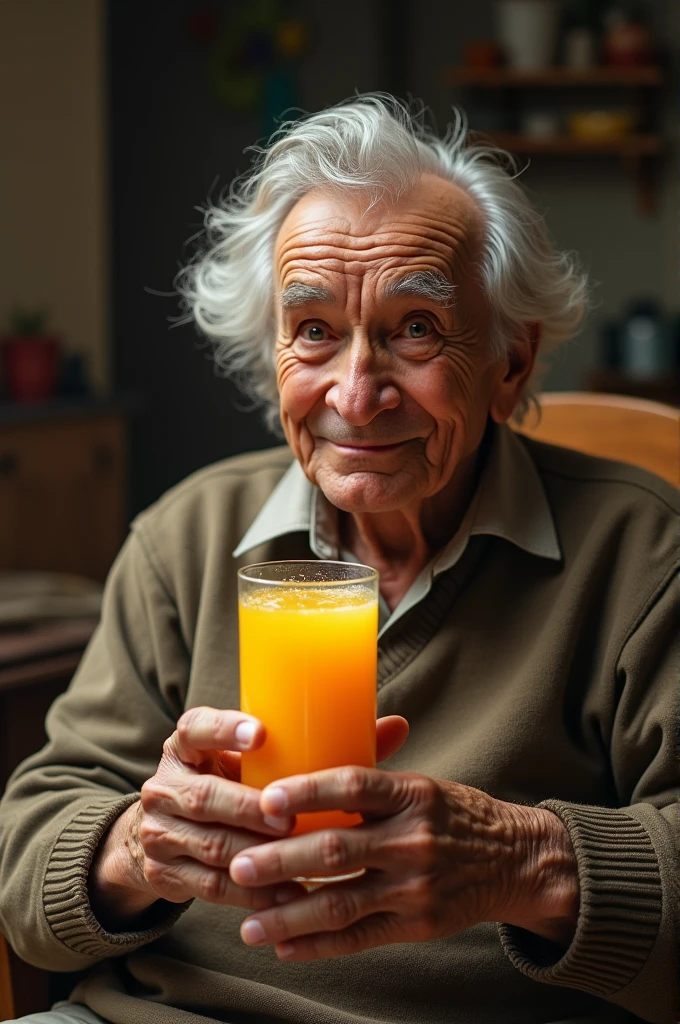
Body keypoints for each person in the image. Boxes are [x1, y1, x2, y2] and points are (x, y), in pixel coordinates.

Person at [0, 96, 677, 1024]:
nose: (356, 397)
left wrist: (524, 865)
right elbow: (31, 852)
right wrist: (135, 848)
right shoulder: (184, 538)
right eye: (313, 330)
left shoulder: (644, 555)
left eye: (415, 329)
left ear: (511, 364)